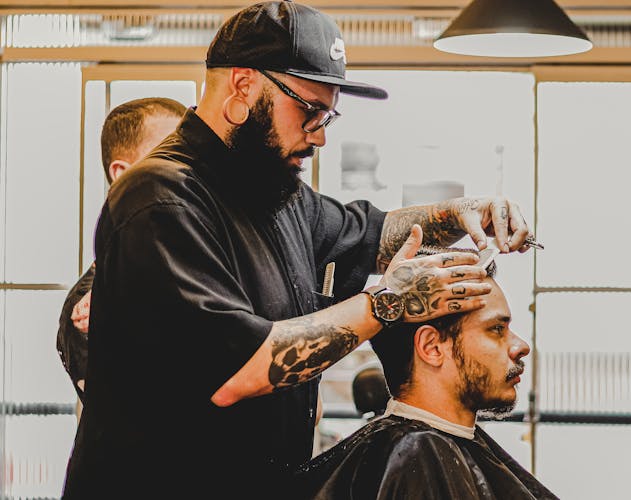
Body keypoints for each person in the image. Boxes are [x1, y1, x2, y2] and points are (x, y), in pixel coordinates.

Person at [61, 2, 532, 498]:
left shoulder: (275, 192)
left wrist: (458, 215)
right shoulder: (160, 200)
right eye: (309, 110)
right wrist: (389, 303)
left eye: (329, 115)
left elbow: (372, 234)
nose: (321, 135)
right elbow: (237, 372)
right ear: (243, 86)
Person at [297, 248, 557, 499]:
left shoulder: (426, 451)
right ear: (431, 347)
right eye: (496, 329)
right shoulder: (416, 455)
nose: (521, 346)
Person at [56, 97, 186, 405]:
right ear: (123, 174)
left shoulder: (192, 267)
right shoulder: (92, 302)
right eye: (172, 154)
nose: (189, 169)